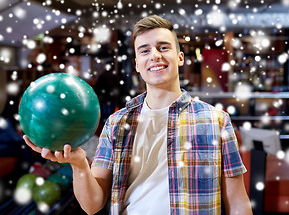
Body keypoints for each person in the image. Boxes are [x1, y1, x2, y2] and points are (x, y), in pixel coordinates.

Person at [23, 15, 252, 214]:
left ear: (180, 58)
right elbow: (92, 205)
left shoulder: (216, 121)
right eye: (145, 50)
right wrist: (79, 164)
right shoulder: (116, 123)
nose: (154, 55)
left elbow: (238, 203)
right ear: (137, 65)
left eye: (163, 47)